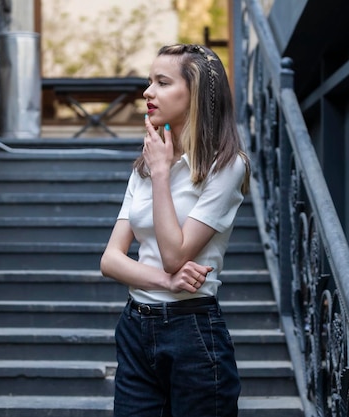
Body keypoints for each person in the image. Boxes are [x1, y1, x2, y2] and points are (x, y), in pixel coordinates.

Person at [100, 43, 250, 417]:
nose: (148, 92)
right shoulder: (145, 165)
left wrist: (163, 173)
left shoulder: (227, 167)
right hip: (136, 327)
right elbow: (111, 260)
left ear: (194, 92)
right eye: (149, 82)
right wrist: (165, 283)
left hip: (193, 332)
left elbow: (174, 254)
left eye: (162, 82)